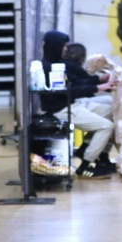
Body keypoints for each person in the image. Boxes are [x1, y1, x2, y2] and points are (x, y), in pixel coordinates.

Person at [40, 32, 117, 179]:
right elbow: (71, 91)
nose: (66, 49)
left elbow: (75, 83)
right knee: (106, 126)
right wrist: (98, 87)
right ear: (56, 46)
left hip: (73, 104)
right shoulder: (48, 68)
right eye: (64, 46)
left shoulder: (56, 64)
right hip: (62, 109)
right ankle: (85, 166)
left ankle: (87, 150)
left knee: (115, 111)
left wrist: (99, 80)